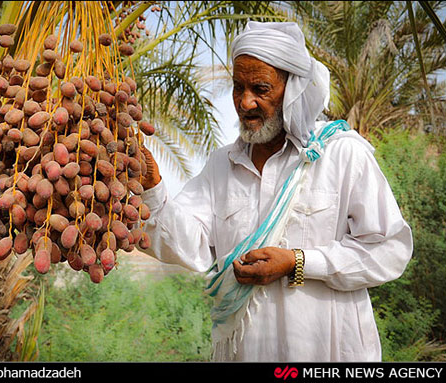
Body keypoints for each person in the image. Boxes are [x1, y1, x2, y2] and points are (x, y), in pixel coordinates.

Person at [137, 21, 413, 362]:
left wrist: (298, 263)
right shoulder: (221, 165)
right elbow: (186, 245)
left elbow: (389, 250)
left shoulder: (341, 154)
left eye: (261, 88)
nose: (245, 102)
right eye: (238, 87)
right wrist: (152, 187)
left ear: (294, 88)